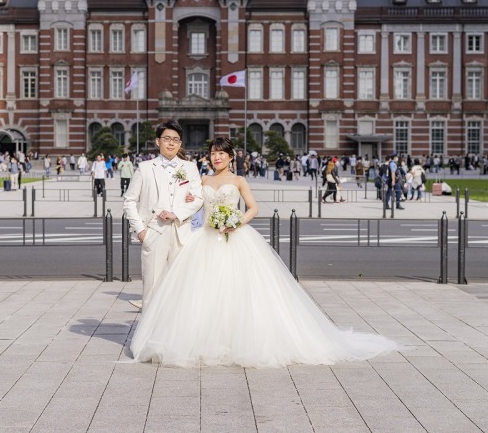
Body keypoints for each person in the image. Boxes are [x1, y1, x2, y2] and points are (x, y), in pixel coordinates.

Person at [131, 137, 400, 367]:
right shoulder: (202, 178)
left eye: (221, 154)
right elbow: (190, 197)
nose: (216, 158)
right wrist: (188, 200)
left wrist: (236, 222)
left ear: (230, 156)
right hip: (207, 237)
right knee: (204, 292)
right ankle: (204, 338)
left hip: (234, 236)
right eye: (213, 154)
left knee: (239, 291)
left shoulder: (239, 180)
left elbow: (252, 208)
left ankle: (239, 339)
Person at [123, 120, 204, 311]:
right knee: (152, 287)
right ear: (158, 141)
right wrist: (141, 230)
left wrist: (176, 213)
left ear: (180, 144)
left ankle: (177, 336)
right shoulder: (145, 168)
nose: (171, 143)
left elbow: (198, 198)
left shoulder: (189, 168)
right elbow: (129, 201)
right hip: (154, 232)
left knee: (182, 287)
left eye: (176, 139)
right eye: (167, 138)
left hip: (182, 234)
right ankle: (147, 336)